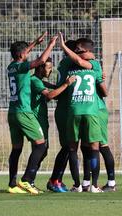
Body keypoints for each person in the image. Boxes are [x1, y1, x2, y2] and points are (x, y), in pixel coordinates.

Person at [7, 32, 57, 194]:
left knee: (16, 149)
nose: (28, 55)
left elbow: (23, 52)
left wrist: (35, 42)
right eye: (26, 53)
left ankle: (12, 184)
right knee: (41, 145)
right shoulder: (22, 67)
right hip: (24, 112)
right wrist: (50, 45)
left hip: (12, 112)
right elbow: (41, 61)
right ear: (22, 55)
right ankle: (27, 180)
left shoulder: (11, 66)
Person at [58, 33, 107, 193]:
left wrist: (63, 46)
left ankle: (78, 185)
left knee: (73, 148)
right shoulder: (95, 66)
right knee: (94, 148)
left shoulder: (70, 70)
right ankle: (93, 185)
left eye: (79, 50)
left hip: (74, 111)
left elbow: (77, 61)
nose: (77, 53)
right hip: (91, 112)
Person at [46, 40, 95, 193]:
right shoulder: (69, 63)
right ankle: (56, 179)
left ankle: (84, 182)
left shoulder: (68, 63)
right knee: (69, 147)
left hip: (75, 110)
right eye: (78, 50)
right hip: (66, 111)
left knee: (80, 147)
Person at [29, 58, 76, 192]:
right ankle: (28, 180)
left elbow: (52, 90)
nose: (51, 70)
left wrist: (60, 88)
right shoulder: (34, 81)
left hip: (42, 120)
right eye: (48, 67)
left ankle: (30, 180)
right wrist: (66, 84)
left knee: (43, 151)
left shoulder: (39, 81)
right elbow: (50, 96)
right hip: (36, 120)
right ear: (40, 68)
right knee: (40, 149)